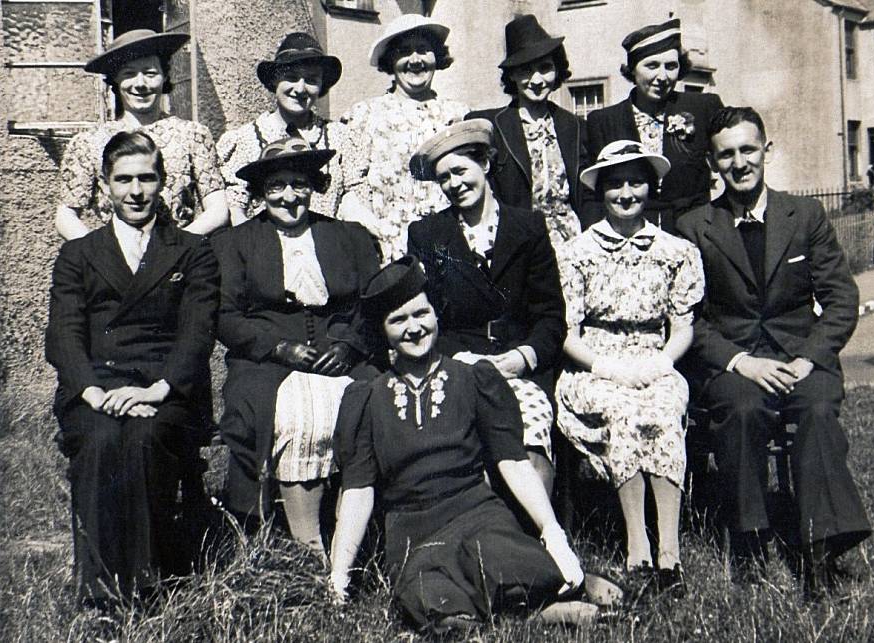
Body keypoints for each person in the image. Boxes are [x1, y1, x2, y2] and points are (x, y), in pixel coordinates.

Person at [328, 257, 622, 634]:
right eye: (398, 321)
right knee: (434, 602)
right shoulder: (367, 398)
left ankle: (544, 594)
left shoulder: (472, 378)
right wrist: (340, 576)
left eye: (422, 314)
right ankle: (541, 613)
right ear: (383, 332)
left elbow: (512, 462)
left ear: (437, 313)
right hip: (413, 531)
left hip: (476, 512)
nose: (414, 328)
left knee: (508, 564)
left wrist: (552, 532)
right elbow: (358, 490)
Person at [675, 106, 871, 599]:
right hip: (735, 362)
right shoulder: (694, 226)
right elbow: (688, 317)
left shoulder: (804, 215)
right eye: (726, 155)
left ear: (767, 149)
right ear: (712, 163)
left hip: (802, 355)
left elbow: (841, 297)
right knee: (741, 409)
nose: (739, 163)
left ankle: (820, 553)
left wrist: (809, 357)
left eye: (747, 149)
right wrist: (741, 362)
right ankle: (751, 542)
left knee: (817, 408)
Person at [45, 131, 219, 605]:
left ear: (163, 181)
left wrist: (158, 390)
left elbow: (197, 332)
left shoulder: (190, 250)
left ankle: (146, 586)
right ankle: (101, 593)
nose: (136, 191)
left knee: (145, 440)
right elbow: (63, 335)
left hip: (166, 387)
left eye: (147, 178)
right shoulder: (78, 255)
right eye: (124, 180)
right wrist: (94, 393)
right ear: (105, 187)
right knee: (101, 439)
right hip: (97, 387)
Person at [213, 137, 379, 557]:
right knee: (294, 418)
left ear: (314, 186)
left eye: (299, 184)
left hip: (342, 354)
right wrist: (279, 348)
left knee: (375, 408)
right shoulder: (234, 243)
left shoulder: (349, 236)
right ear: (260, 192)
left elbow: (372, 303)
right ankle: (310, 547)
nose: (289, 196)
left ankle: (359, 540)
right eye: (276, 186)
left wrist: (347, 344)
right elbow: (226, 317)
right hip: (265, 361)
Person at [556, 140, 704, 593]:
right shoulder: (576, 251)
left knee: (660, 411)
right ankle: (637, 543)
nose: (626, 192)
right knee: (622, 413)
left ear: (650, 187)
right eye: (615, 183)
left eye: (635, 181)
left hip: (654, 360)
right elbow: (565, 332)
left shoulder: (676, 251)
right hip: (594, 365)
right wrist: (609, 368)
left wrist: (661, 361)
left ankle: (669, 553)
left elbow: (683, 326)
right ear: (600, 191)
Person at [407, 120, 565, 496]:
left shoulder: (528, 228)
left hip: (519, 365)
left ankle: (535, 541)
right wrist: (456, 358)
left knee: (529, 440)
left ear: (486, 165)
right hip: (459, 363)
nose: (454, 185)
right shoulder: (428, 234)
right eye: (444, 178)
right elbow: (425, 318)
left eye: (461, 171)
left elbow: (551, 316)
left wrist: (524, 357)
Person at [56, 29, 228, 240]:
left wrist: (177, 246)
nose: (140, 84)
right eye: (129, 73)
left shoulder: (193, 135)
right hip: (116, 264)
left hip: (179, 257)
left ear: (164, 76)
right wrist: (100, 254)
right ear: (116, 79)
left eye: (150, 73)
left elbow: (218, 209)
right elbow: (66, 215)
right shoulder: (88, 142)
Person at [340, 14, 469, 262]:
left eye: (424, 50)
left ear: (437, 57)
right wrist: (373, 230)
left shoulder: (458, 115)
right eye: (404, 51)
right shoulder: (363, 116)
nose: (415, 60)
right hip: (390, 247)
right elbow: (349, 187)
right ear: (390, 60)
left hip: (451, 244)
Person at [466, 14, 594, 258]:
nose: (536, 80)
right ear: (512, 75)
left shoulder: (575, 126)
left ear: (557, 71)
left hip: (573, 242)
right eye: (526, 70)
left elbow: (588, 191)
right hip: (516, 244)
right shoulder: (491, 124)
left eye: (545, 68)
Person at [587, 19, 724, 233]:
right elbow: (592, 195)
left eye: (671, 66)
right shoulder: (603, 121)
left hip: (696, 232)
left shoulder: (704, 107)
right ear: (632, 70)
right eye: (652, 66)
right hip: (630, 234)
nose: (662, 77)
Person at [217, 32, 351, 225]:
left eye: (311, 80)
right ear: (274, 81)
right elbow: (236, 209)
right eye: (291, 77)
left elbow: (351, 199)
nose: (300, 88)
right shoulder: (244, 140)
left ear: (322, 85)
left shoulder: (340, 137)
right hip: (265, 248)